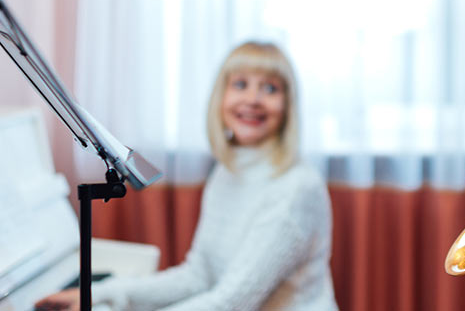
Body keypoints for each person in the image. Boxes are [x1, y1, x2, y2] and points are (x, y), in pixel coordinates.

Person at [36, 41, 337, 311]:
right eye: (241, 84)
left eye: (270, 88)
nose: (253, 99)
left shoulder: (297, 188)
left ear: (287, 107)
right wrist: (99, 294)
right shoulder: (228, 170)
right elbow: (199, 275)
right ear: (221, 97)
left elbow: (232, 302)